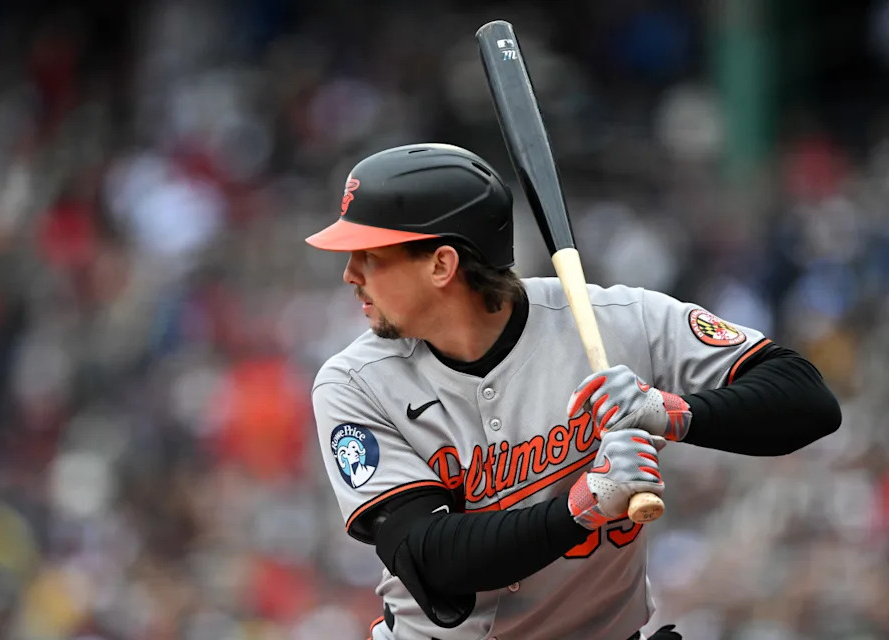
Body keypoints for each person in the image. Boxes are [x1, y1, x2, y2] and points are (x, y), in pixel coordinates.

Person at [305, 143, 842, 640]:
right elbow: (432, 560)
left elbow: (806, 399)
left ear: (442, 264)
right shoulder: (355, 383)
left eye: (370, 255)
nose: (351, 274)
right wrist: (582, 506)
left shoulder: (612, 320)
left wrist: (668, 412)